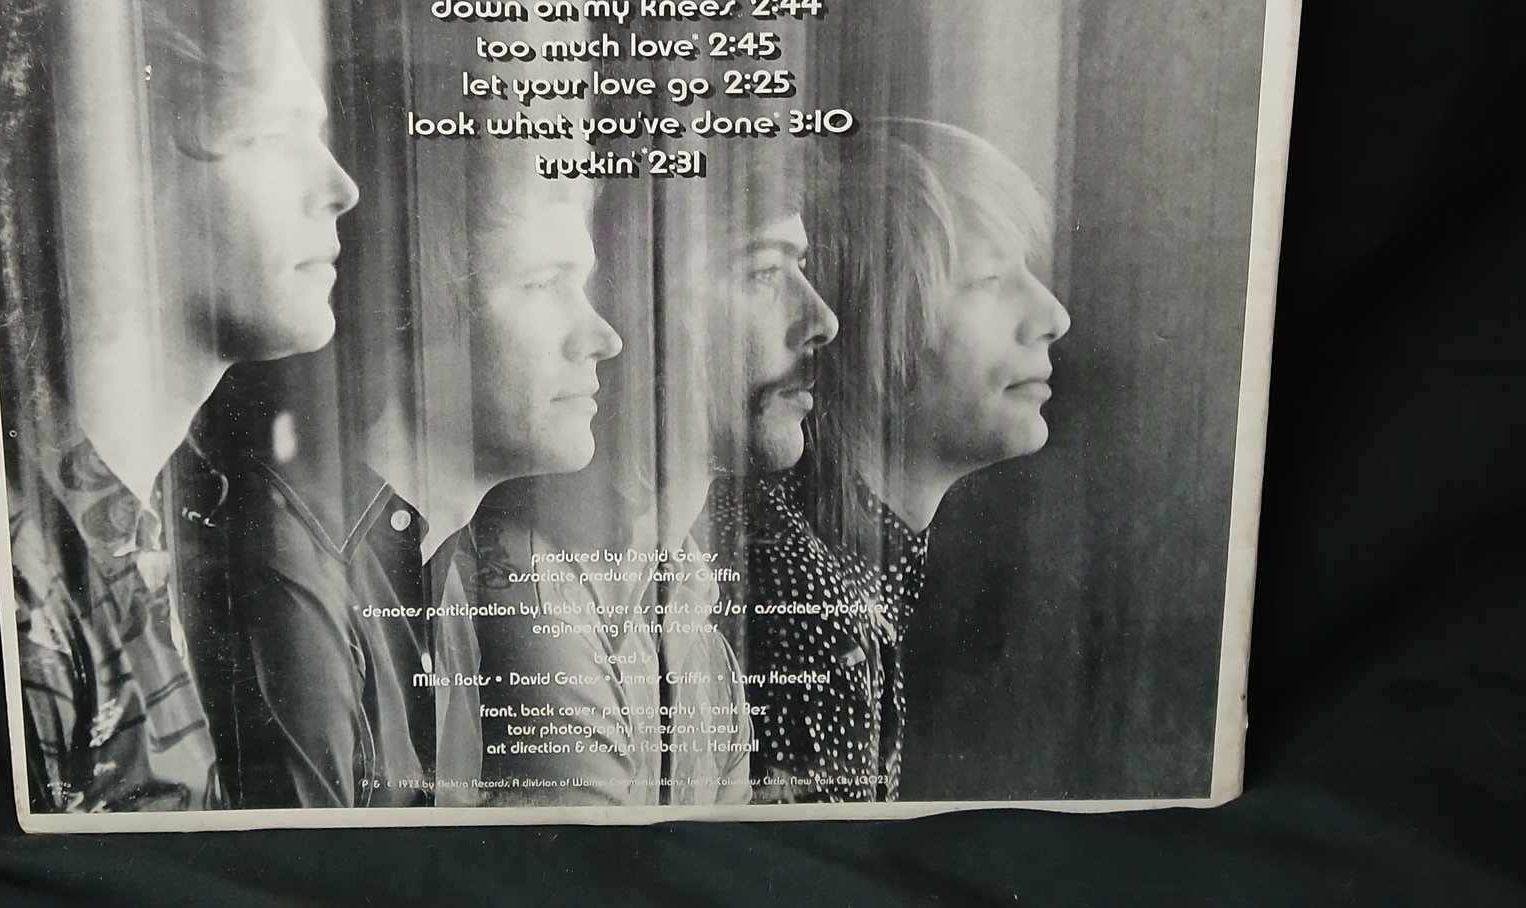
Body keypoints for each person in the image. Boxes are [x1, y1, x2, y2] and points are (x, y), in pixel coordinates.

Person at [9, 0, 360, 814]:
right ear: (121, 176)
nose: (339, 187)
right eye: (276, 135)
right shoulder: (26, 589)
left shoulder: (154, 526)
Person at [210, 136, 623, 807]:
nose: (603, 337)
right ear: (413, 312)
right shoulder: (296, 570)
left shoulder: (443, 573)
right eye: (545, 284)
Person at [713, 118, 1071, 803]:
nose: (1053, 316)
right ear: (860, 324)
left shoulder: (829, 559)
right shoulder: (802, 596)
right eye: (988, 280)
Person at [474, 148, 839, 805]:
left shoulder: (689, 602)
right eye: (763, 273)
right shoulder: (534, 595)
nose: (822, 321)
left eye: (801, 269)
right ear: (636, 305)